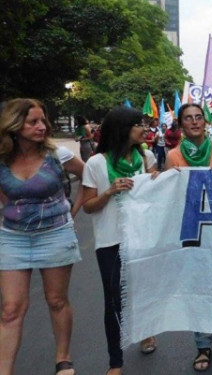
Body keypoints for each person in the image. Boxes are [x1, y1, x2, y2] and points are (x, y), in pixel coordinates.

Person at [0, 98, 85, 375]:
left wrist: (74, 211)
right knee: (11, 309)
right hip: (13, 237)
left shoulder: (57, 154)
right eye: (33, 122)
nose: (42, 126)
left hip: (55, 234)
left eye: (43, 121)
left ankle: (63, 359)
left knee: (56, 299)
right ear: (14, 126)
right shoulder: (2, 160)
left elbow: (89, 175)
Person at [81, 106, 159, 375]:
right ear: (122, 129)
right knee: (114, 300)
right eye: (138, 124)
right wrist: (110, 191)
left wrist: (158, 183)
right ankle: (116, 361)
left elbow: (155, 197)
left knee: (142, 290)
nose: (144, 128)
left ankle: (146, 331)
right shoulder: (96, 163)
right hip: (110, 241)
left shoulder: (146, 156)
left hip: (142, 237)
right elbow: (88, 206)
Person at [163, 103, 212, 371]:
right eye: (188, 119)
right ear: (181, 125)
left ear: (205, 122)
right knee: (197, 286)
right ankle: (202, 345)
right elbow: (167, 196)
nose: (194, 122)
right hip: (193, 230)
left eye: (198, 117)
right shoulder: (173, 156)